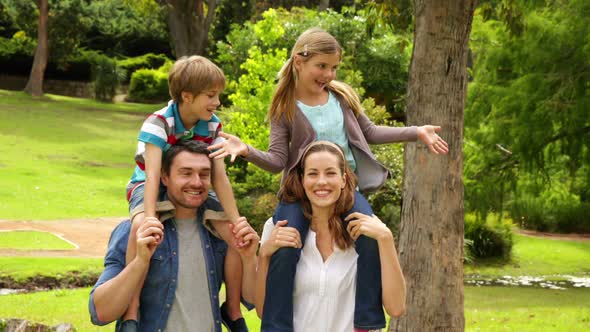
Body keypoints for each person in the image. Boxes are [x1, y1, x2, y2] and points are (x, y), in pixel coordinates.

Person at [208, 28, 447, 331]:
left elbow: (370, 133)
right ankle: (277, 324)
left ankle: (366, 321)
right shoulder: (285, 107)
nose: (329, 74)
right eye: (322, 66)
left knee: (370, 236)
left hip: (346, 190)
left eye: (334, 67)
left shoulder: (341, 98)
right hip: (298, 193)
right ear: (299, 61)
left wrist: (416, 132)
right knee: (286, 242)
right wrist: (245, 150)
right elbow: (277, 161)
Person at [125, 56, 247, 330]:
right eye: (211, 96)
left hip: (187, 183)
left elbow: (219, 176)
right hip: (148, 183)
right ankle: (131, 312)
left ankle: (233, 309)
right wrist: (150, 216)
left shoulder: (212, 124)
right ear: (187, 96)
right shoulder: (158, 123)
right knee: (140, 230)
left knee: (234, 236)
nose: (217, 102)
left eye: (218, 96)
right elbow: (154, 174)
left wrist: (236, 220)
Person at [89, 140, 259, 331]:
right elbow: (101, 312)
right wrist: (140, 262)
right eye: (186, 173)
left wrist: (249, 257)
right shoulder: (135, 231)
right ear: (164, 178)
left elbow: (254, 301)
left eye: (204, 174)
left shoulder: (221, 233)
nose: (196, 182)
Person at [256, 141, 406, 332]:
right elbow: (263, 311)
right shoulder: (278, 229)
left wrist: (386, 238)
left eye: (330, 173)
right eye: (313, 173)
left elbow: (397, 308)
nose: (321, 182)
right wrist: (264, 255)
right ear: (302, 180)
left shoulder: (370, 230)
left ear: (343, 180)